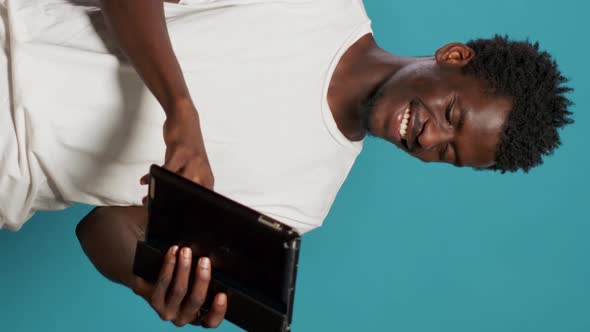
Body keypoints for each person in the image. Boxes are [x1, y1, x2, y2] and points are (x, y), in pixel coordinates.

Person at [0, 0, 573, 329]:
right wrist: (181, 110)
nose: (430, 137)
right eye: (453, 113)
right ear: (453, 58)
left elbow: (99, 228)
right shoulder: (314, 6)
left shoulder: (304, 203)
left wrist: (150, 279)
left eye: (449, 153)